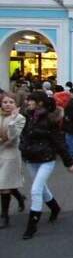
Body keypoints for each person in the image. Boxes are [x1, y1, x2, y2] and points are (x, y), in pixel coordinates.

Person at [19, 91, 73, 240]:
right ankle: (55, 208)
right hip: (30, 158)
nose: (28, 102)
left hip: (46, 158)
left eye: (31, 100)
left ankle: (32, 226)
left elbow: (59, 142)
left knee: (36, 190)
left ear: (40, 103)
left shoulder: (50, 120)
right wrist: (23, 148)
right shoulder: (27, 117)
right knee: (41, 188)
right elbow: (23, 136)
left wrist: (68, 162)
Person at [0, 93, 26, 229]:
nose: (7, 104)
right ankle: (20, 197)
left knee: (4, 185)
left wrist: (12, 121)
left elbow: (13, 138)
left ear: (16, 104)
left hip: (10, 154)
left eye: (11, 102)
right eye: (5, 102)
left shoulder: (20, 118)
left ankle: (5, 216)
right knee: (5, 183)